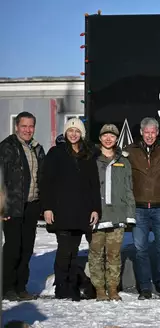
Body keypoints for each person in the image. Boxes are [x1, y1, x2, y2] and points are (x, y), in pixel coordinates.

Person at [40, 117, 101, 301]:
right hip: (62, 211)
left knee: (75, 254)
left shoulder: (88, 154)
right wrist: (47, 208)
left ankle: (72, 287)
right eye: (70, 131)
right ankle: (62, 287)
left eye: (77, 131)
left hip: (82, 212)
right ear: (65, 133)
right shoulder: (56, 153)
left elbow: (94, 184)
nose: (73, 134)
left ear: (81, 134)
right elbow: (47, 182)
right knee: (64, 251)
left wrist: (95, 208)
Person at [125, 117, 160, 300]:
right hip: (139, 208)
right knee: (141, 250)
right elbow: (125, 179)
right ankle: (145, 288)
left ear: (157, 132)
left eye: (153, 132)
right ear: (141, 132)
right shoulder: (130, 151)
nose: (150, 136)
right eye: (147, 132)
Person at [0, 112, 45, 301]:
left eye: (31, 126)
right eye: (24, 126)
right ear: (17, 126)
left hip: (31, 205)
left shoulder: (37, 148)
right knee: (13, 248)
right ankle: (7, 287)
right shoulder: (7, 147)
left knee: (27, 248)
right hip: (12, 207)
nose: (27, 130)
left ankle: (21, 287)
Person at [88, 124, 136, 301]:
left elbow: (129, 188)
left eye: (112, 136)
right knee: (96, 254)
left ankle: (113, 288)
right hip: (96, 216)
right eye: (105, 136)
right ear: (100, 138)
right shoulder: (91, 159)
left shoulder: (124, 161)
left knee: (114, 255)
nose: (108, 139)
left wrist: (130, 213)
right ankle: (99, 289)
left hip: (117, 215)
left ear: (117, 140)